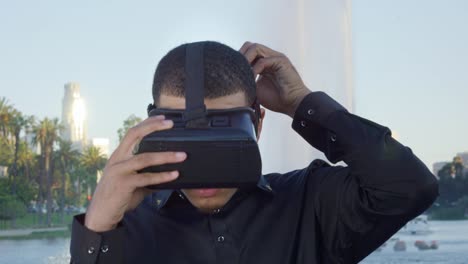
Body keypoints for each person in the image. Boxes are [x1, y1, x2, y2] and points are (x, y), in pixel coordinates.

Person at [70, 41, 438, 264]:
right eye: (183, 133)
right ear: (152, 126)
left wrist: (302, 103)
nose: (207, 168)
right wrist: (96, 230)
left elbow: (411, 187)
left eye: (226, 133)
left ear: (257, 124)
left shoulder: (311, 205)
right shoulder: (121, 230)